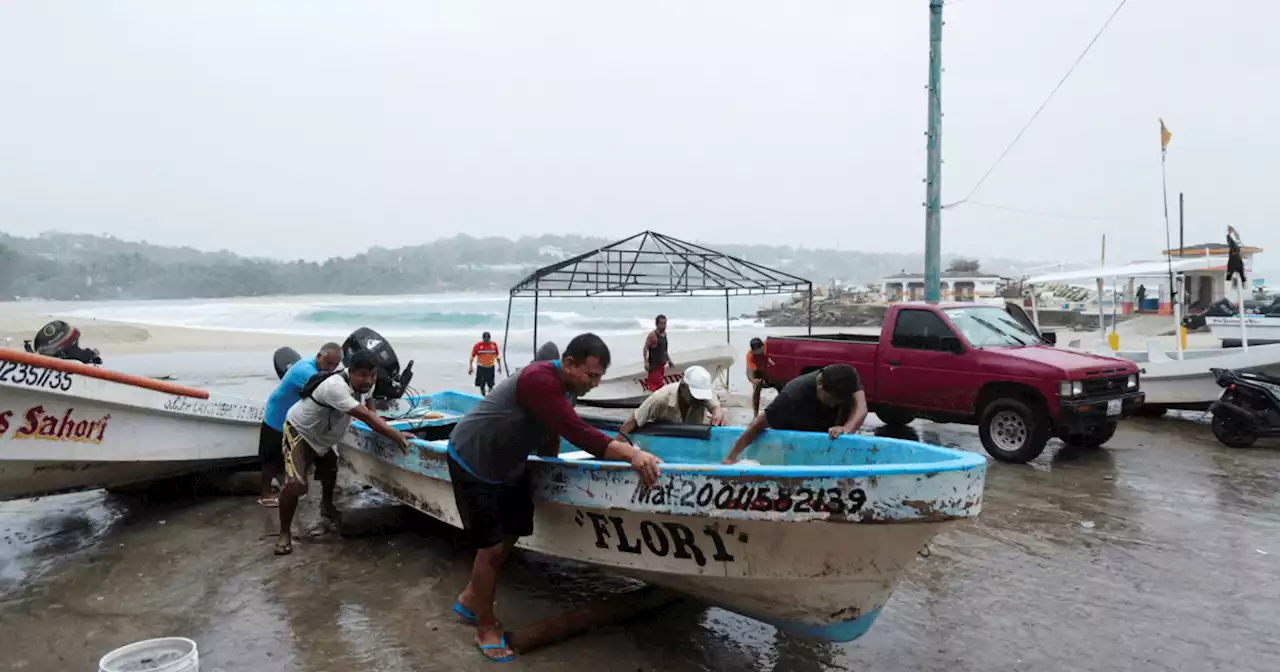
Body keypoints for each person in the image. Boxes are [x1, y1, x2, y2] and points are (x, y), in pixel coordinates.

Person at [447, 333, 662, 662]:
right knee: (489, 547)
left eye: (600, 377)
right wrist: (631, 454)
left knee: (515, 527)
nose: (594, 383)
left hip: (511, 463)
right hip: (473, 458)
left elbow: (553, 431)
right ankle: (485, 626)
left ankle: (470, 598)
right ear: (569, 363)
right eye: (591, 376)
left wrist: (553, 466)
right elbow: (576, 430)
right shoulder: (538, 379)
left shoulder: (568, 387)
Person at [275, 350, 415, 555]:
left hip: (325, 437)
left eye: (372, 375)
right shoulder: (335, 387)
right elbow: (364, 415)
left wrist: (375, 419)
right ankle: (284, 534)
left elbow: (369, 404)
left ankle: (327, 506)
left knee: (330, 470)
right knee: (296, 485)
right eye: (363, 375)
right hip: (300, 433)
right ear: (351, 371)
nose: (368, 380)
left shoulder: (368, 384)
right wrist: (395, 434)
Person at [721, 363, 867, 464]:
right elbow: (757, 425)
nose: (834, 404)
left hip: (833, 430)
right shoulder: (792, 395)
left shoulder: (847, 375)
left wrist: (846, 429)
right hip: (798, 432)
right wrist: (730, 458)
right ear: (820, 382)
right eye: (831, 400)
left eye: (839, 401)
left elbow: (861, 408)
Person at [258, 343, 343, 507]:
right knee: (270, 458)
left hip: (293, 419)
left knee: (286, 457)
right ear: (319, 356)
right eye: (328, 363)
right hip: (276, 415)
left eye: (335, 365)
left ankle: (287, 485)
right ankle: (265, 493)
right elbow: (322, 392)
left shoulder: (322, 372)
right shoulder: (305, 370)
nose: (331, 368)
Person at [617, 365, 726, 436]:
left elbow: (716, 408)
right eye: (695, 396)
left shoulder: (705, 393)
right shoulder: (660, 398)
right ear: (683, 386)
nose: (698, 400)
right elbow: (633, 421)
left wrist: (718, 414)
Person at [642, 314, 674, 391]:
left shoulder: (664, 334)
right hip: (654, 367)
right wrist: (646, 362)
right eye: (661, 324)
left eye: (665, 323)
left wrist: (669, 360)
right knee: (658, 387)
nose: (663, 326)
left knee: (657, 388)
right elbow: (645, 348)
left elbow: (664, 350)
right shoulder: (653, 335)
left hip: (661, 366)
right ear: (656, 324)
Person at [468, 332, 501, 396]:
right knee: (482, 385)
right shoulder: (478, 345)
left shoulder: (493, 345)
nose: (486, 341)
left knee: (491, 385)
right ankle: (483, 396)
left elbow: (497, 356)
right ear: (483, 338)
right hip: (481, 368)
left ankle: (490, 396)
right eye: (485, 339)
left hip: (490, 367)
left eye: (488, 339)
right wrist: (470, 367)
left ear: (489, 338)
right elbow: (472, 357)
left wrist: (499, 366)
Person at [745, 337, 770, 416]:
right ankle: (755, 414)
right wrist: (753, 380)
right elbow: (749, 371)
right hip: (759, 370)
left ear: (763, 346)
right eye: (756, 352)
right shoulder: (750, 355)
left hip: (770, 367)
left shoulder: (768, 346)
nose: (758, 353)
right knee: (756, 389)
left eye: (760, 351)